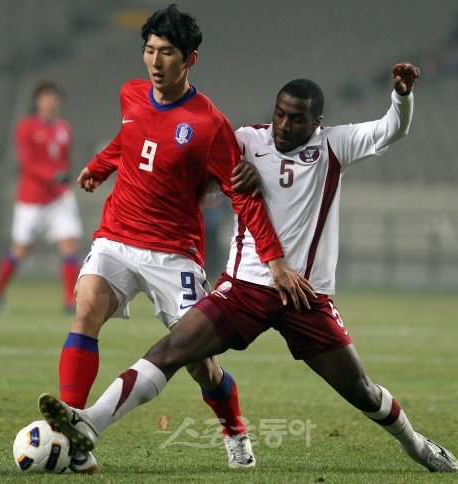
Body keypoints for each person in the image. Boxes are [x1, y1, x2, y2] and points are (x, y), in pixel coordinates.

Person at [38, 62, 458, 473]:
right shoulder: (244, 141)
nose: (284, 125)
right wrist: (118, 169)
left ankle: (417, 445)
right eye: (279, 114)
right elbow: (197, 176)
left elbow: (392, 129)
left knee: (362, 391)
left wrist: (402, 96)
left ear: (317, 122)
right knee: (169, 352)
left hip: (306, 298)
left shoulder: (335, 145)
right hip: (243, 289)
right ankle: (90, 423)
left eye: (296, 119)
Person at [41, 4, 312, 474]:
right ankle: (75, 434)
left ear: (190, 59)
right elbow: (128, 141)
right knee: (86, 309)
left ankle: (235, 432)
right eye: (149, 50)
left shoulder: (209, 125)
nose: (155, 61)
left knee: (199, 363)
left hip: (174, 254)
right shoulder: (131, 94)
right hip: (117, 236)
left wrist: (273, 260)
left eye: (167, 52)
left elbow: (243, 197)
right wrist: (99, 168)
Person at [0, 79, 82, 314]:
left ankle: (69, 301)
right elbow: (27, 162)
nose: (51, 101)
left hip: (58, 197)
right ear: (37, 101)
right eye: (46, 96)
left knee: (70, 243)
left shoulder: (64, 128)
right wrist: (53, 175)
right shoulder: (26, 127)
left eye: (55, 97)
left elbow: (64, 161)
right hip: (32, 199)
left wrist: (64, 179)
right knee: (20, 248)